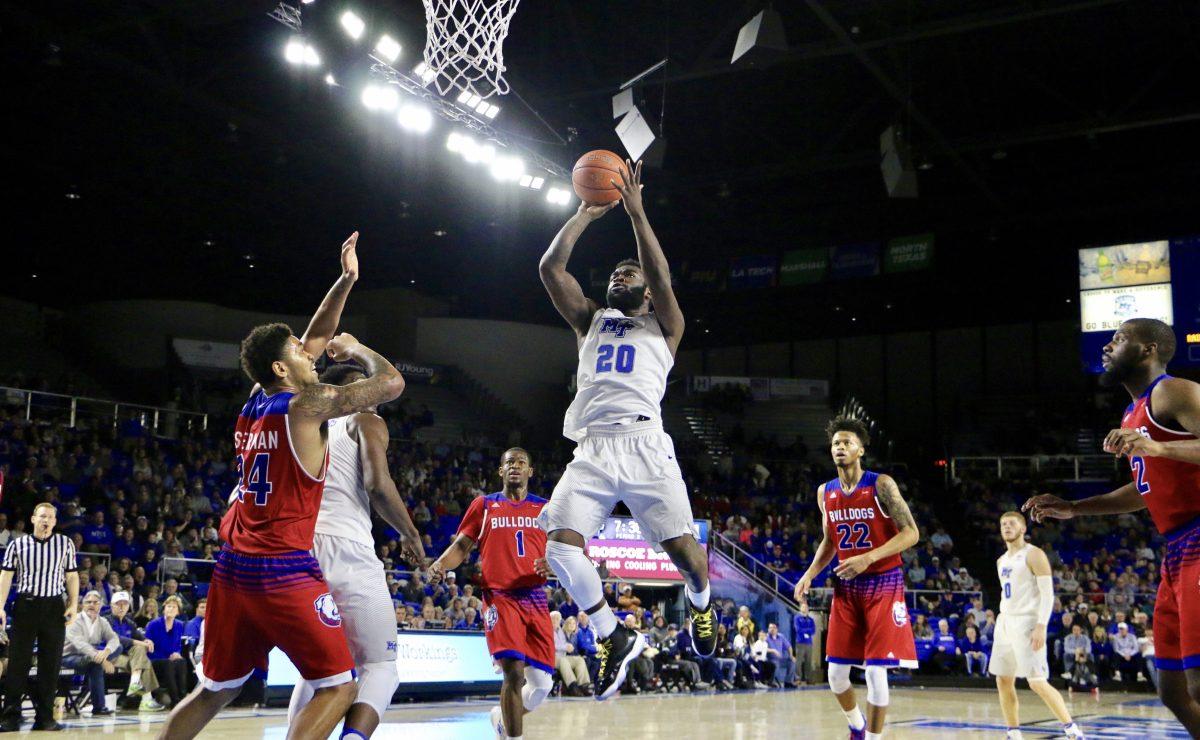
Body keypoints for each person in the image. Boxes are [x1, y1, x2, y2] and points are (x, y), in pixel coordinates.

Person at [159, 232, 406, 740]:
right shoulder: (305, 405)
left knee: (214, 689)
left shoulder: (257, 399)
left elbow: (314, 336)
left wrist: (345, 281)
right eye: (297, 352)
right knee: (339, 688)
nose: (308, 353)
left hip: (232, 568)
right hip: (282, 569)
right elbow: (391, 384)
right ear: (280, 368)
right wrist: (359, 350)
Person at [537, 160, 716, 700]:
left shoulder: (666, 325)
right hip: (591, 449)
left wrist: (637, 214)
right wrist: (582, 215)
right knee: (558, 549)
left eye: (628, 275)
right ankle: (613, 633)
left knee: (685, 554)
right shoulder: (589, 318)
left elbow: (659, 277)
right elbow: (550, 268)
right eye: (615, 274)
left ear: (645, 292)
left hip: (643, 443)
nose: (622, 276)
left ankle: (703, 606)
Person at [1025, 318, 1200, 735]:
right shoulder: (1131, 412)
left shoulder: (1173, 390)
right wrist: (1075, 508)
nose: (1107, 347)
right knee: (1172, 689)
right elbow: (1146, 489)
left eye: (1119, 339)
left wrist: (1157, 446)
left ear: (1148, 349)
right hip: (1174, 552)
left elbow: (1163, 453)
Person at [286, 359, 425, 739]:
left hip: (299, 551)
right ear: (352, 394)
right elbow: (378, 485)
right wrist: (411, 534)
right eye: (368, 389)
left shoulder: (301, 425)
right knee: (381, 667)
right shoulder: (364, 419)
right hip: (347, 548)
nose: (376, 398)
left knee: (321, 673)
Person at [794, 417, 919, 740]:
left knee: (876, 671)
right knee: (836, 675)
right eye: (836, 443)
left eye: (847, 442)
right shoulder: (826, 492)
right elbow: (830, 541)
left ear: (861, 449)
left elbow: (912, 533)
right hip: (847, 588)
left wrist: (869, 557)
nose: (840, 447)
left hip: (884, 582)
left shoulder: (881, 484)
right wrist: (809, 574)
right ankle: (856, 726)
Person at [427, 448, 554, 740]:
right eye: (509, 462)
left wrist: (554, 562)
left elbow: (562, 551)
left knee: (541, 688)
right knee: (513, 671)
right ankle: (513, 737)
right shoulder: (484, 505)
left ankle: (502, 718)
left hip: (535, 597)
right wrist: (440, 564)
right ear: (500, 471)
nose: (515, 467)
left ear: (530, 472)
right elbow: (462, 546)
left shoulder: (546, 509)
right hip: (500, 596)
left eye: (522, 462)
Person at [988, 512, 1084, 739]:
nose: (1006, 527)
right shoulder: (1001, 560)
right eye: (1003, 524)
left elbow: (1047, 595)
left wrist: (1041, 625)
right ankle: (1013, 732)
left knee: (1037, 682)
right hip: (1005, 622)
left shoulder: (1034, 554)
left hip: (1028, 622)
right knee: (1003, 679)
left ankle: (1072, 729)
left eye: (1012, 523)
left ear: (1023, 529)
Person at [0, 502, 80, 732]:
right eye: (42, 516)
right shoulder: (18, 544)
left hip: (54, 607)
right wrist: (0, 606)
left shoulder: (65, 544)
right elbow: (6, 576)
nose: (46, 520)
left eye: (51, 517)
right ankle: (10, 717)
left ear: (55, 522)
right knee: (18, 663)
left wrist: (73, 604)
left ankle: (45, 717)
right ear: (33, 519)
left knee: (50, 664)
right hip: (26, 605)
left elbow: (72, 576)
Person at [61, 590, 121, 716]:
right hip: (69, 657)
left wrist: (106, 652)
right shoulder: (74, 620)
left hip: (91, 657)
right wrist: (103, 659)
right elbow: (80, 644)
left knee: (117, 648)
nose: (91, 605)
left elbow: (114, 638)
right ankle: (99, 707)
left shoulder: (102, 621)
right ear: (82, 605)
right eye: (88, 602)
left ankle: (98, 707)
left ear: (100, 605)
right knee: (96, 663)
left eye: (95, 602)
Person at [105, 591, 165, 711]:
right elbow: (117, 639)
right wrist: (140, 643)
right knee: (144, 661)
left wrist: (147, 640)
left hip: (128, 657)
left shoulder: (129, 622)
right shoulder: (106, 621)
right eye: (118, 604)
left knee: (140, 651)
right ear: (112, 605)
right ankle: (146, 698)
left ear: (128, 606)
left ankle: (135, 686)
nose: (122, 607)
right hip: (110, 655)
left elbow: (139, 636)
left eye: (125, 604)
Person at [146, 596, 188, 707]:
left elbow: (177, 645)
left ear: (178, 611)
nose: (171, 609)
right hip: (154, 659)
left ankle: (182, 698)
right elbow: (149, 648)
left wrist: (177, 653)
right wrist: (170, 656)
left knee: (181, 661)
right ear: (164, 609)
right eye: (169, 606)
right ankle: (175, 701)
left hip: (169, 659)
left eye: (174, 607)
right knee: (168, 663)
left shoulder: (179, 625)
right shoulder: (153, 624)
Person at [552, 613, 591, 697]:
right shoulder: (547, 630)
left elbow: (565, 643)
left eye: (557, 619)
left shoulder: (560, 631)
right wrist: (565, 647)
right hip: (552, 658)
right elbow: (551, 646)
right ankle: (572, 686)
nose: (555, 620)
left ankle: (583, 685)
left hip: (563, 656)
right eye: (553, 618)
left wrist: (568, 646)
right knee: (563, 660)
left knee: (579, 659)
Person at [793, 601, 816, 685]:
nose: (805, 608)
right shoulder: (797, 618)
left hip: (809, 643)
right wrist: (807, 631)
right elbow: (798, 629)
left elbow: (813, 630)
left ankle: (808, 678)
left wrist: (806, 631)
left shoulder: (811, 619)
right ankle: (797, 678)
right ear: (800, 608)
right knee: (798, 661)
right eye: (803, 607)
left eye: (806, 607)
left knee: (808, 661)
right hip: (800, 642)